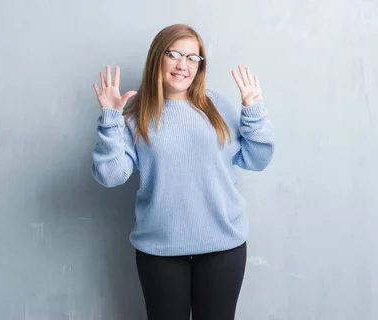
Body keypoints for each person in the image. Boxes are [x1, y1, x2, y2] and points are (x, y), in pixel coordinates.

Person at [90, 24, 275, 320]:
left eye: (192, 58)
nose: (183, 65)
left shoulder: (218, 105)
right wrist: (111, 120)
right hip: (160, 250)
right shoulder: (137, 115)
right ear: (157, 58)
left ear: (200, 66)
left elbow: (257, 159)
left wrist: (254, 111)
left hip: (222, 245)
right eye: (174, 54)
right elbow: (111, 175)